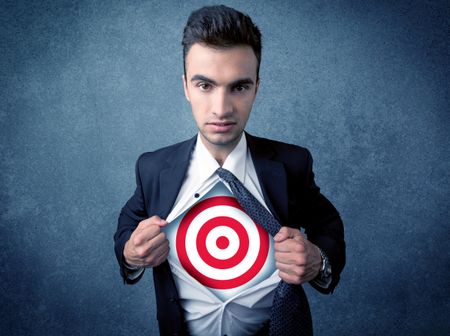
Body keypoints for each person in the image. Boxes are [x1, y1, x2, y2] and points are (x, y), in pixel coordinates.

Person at [114, 5, 345, 336]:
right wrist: (131, 253)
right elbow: (126, 227)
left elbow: (328, 226)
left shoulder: (293, 164)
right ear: (185, 87)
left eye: (238, 87)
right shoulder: (152, 168)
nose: (221, 109)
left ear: (256, 88)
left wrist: (317, 260)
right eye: (205, 85)